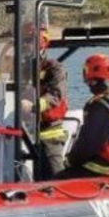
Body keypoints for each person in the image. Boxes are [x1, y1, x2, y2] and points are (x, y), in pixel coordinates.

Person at [22, 25, 70, 178]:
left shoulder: (54, 68)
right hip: (26, 132)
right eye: (25, 41)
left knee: (55, 176)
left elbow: (55, 96)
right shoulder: (21, 67)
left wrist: (34, 106)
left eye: (30, 41)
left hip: (49, 134)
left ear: (42, 43)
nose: (26, 45)